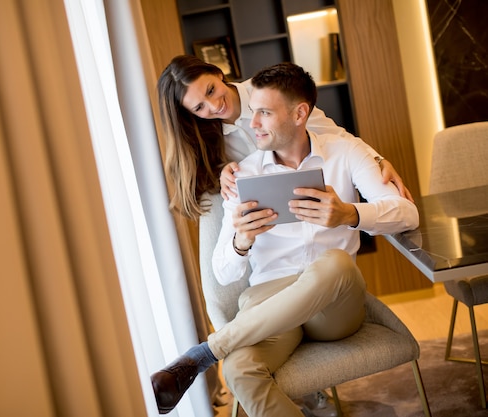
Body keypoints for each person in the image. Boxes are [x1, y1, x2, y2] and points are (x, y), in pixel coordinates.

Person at [151, 62, 419, 416]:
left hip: (333, 306)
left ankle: (205, 352)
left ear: (299, 113)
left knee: (335, 263)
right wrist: (241, 241)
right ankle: (218, 355)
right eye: (199, 108)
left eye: (263, 113)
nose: (253, 122)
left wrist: (349, 214)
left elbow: (408, 214)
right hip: (270, 296)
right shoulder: (240, 176)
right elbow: (223, 273)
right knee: (237, 369)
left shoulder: (344, 152)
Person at [157, 55, 413, 221]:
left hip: (321, 200)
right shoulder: (206, 137)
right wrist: (221, 173)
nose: (213, 106)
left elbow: (335, 134)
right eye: (199, 108)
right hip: (275, 222)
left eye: (211, 90)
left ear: (217, 72)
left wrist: (376, 159)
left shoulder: (267, 93)